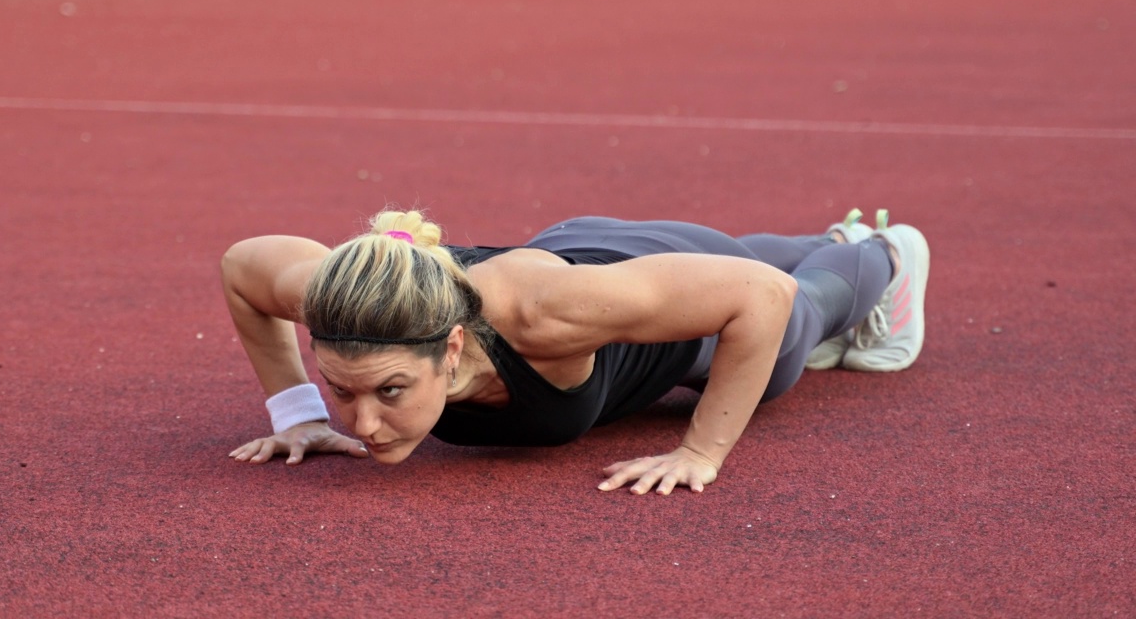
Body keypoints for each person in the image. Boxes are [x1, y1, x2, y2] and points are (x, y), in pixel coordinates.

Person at [221, 208, 929, 495]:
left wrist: (700, 453)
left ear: (453, 347)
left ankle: (885, 256)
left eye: (391, 392)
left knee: (790, 330)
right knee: (750, 262)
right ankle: (834, 238)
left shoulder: (539, 319)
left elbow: (759, 299)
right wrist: (298, 413)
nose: (362, 424)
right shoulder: (342, 297)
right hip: (589, 261)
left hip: (650, 302)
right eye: (343, 392)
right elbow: (242, 266)